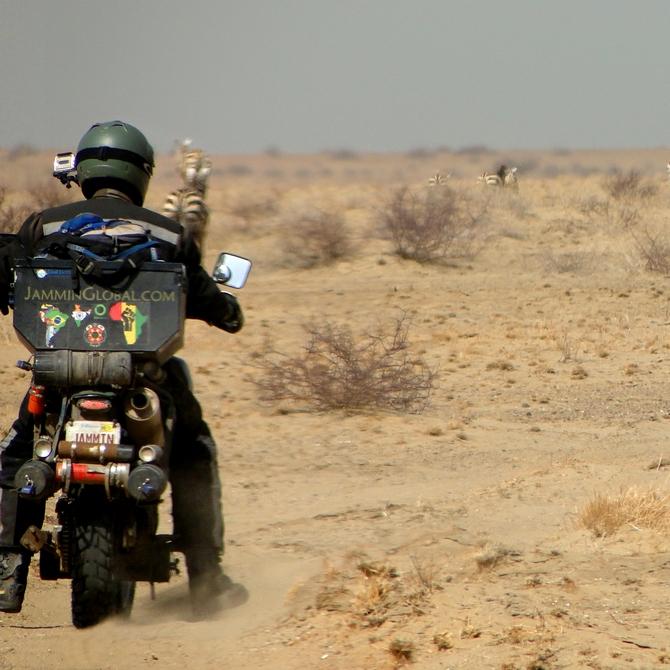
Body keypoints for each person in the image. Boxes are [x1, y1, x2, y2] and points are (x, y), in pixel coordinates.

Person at [0, 120, 247, 616]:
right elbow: (207, 299)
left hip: (58, 368)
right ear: (143, 173)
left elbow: (16, 277)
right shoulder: (169, 233)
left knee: (17, 454)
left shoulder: (43, 226)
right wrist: (225, 309)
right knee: (194, 452)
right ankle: (206, 575)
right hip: (145, 376)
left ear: (85, 171)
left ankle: (7, 570)